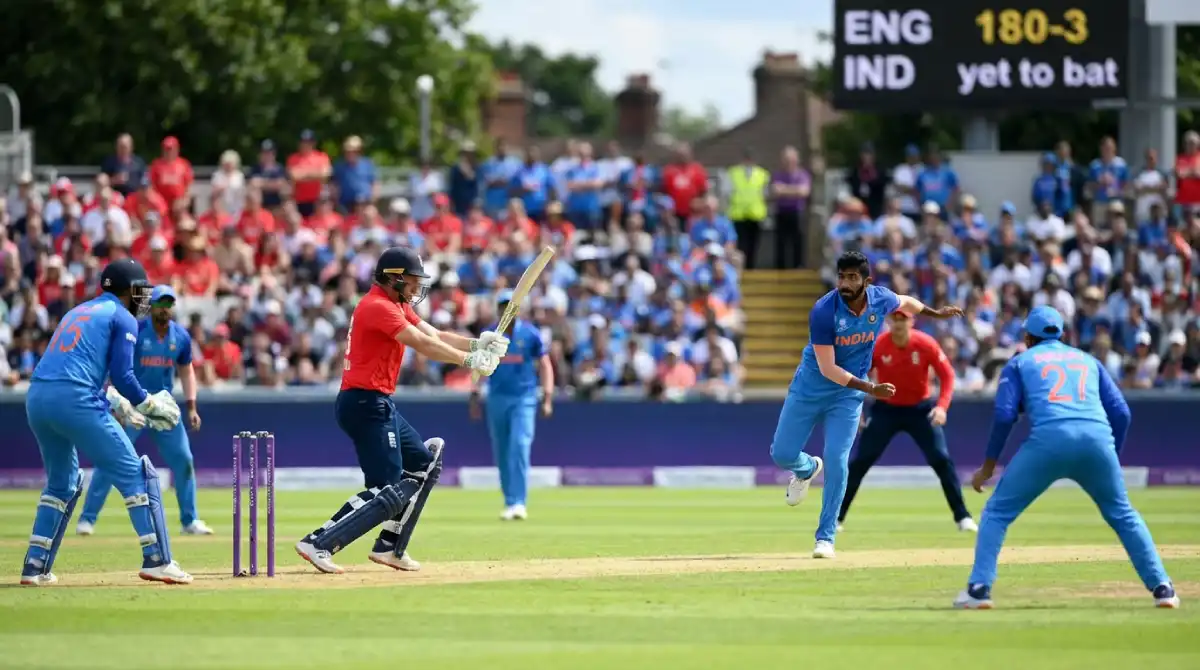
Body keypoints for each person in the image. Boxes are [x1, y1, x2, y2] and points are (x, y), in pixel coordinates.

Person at [294, 246, 506, 574]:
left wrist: (478, 344)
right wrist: (467, 361)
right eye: (411, 281)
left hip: (378, 402)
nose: (416, 288)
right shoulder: (377, 306)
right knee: (386, 488)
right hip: (364, 403)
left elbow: (433, 334)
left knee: (424, 465)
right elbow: (421, 344)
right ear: (393, 278)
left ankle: (391, 546)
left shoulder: (395, 303)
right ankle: (319, 541)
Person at [955, 306, 1179, 610]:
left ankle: (979, 590)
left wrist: (988, 467)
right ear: (1062, 333)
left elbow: (1005, 414)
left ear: (1027, 336)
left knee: (997, 512)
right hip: (1097, 440)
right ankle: (1163, 588)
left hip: (1049, 440)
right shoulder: (1089, 361)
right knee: (1123, 514)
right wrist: (1111, 453)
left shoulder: (1020, 362)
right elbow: (1122, 413)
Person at [768, 251, 963, 559]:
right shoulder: (823, 311)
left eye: (852, 277)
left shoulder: (880, 299)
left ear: (866, 281)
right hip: (811, 388)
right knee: (782, 454)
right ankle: (806, 469)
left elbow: (908, 303)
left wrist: (937, 314)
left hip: (846, 397)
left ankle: (826, 537)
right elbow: (828, 368)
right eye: (841, 276)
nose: (845, 283)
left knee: (837, 458)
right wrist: (871, 388)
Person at [21, 258, 189, 585]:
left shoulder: (79, 311)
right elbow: (124, 376)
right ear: (127, 291)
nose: (144, 298)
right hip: (76, 399)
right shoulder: (122, 317)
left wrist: (115, 400)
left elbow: (71, 366)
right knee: (137, 474)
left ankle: (35, 566)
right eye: (140, 290)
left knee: (63, 483)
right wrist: (148, 402)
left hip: (38, 398)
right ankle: (157, 559)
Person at [76, 285, 211, 537]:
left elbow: (186, 370)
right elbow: (116, 365)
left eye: (168, 304)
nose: (164, 309)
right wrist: (115, 402)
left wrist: (191, 405)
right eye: (159, 304)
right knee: (110, 459)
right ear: (151, 307)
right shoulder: (136, 330)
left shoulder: (180, 336)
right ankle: (87, 519)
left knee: (184, 460)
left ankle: (189, 520)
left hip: (162, 407)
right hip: (132, 406)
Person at [838, 310, 975, 532]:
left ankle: (963, 517)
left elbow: (947, 375)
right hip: (886, 410)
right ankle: (836, 518)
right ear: (889, 322)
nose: (899, 324)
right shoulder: (879, 345)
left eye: (904, 319)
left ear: (912, 321)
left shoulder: (926, 344)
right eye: (895, 319)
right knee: (860, 462)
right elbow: (858, 377)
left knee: (941, 460)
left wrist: (941, 407)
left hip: (920, 410)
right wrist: (857, 408)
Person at [469, 289, 554, 520]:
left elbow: (545, 364)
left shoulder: (530, 334)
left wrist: (547, 397)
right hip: (497, 398)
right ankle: (510, 501)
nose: (508, 310)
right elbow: (478, 366)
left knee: (519, 445)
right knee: (502, 450)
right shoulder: (490, 335)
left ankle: (519, 501)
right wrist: (474, 396)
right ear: (498, 309)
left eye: (512, 306)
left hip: (524, 398)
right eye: (504, 306)